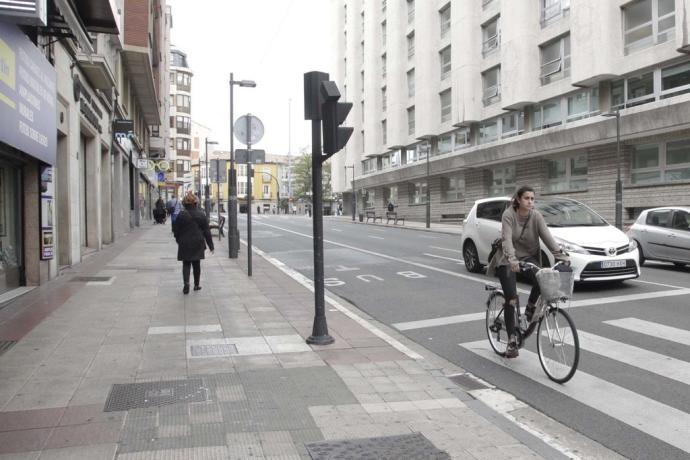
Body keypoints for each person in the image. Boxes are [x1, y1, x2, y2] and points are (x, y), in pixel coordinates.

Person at [494, 185, 567, 358]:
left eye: (532, 199)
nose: (530, 202)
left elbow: (547, 236)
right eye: (527, 198)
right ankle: (512, 341)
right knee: (511, 298)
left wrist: (560, 255)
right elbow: (506, 240)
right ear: (518, 199)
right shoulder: (509, 215)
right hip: (507, 260)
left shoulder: (536, 216)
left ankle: (530, 307)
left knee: (543, 278)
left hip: (527, 257)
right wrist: (512, 260)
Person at [172, 192, 214, 294]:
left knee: (186, 263)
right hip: (197, 242)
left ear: (184, 204)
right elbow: (207, 232)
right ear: (196, 203)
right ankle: (196, 285)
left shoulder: (181, 215)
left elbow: (175, 230)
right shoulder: (201, 214)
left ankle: (186, 284)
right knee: (196, 263)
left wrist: (178, 240)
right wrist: (211, 246)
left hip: (184, 243)